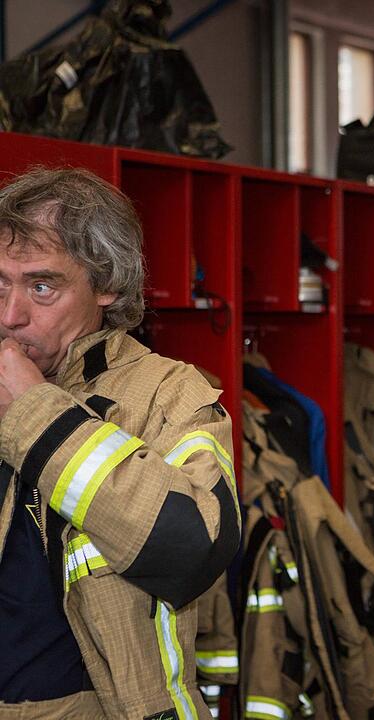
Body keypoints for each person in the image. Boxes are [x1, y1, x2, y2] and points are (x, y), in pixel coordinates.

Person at [0, 167, 239, 719]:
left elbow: (194, 549)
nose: (12, 317)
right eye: (0, 284)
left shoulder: (169, 392)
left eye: (42, 286)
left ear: (107, 283)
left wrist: (36, 413)